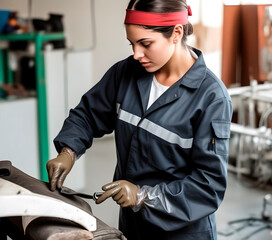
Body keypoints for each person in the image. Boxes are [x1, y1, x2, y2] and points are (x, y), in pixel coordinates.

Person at [46, 0, 233, 239]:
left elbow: (208, 186)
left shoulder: (211, 98)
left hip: (182, 231)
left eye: (145, 44)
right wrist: (68, 151)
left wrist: (143, 196)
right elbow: (88, 114)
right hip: (133, 225)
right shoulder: (125, 73)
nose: (136, 54)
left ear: (176, 32)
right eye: (132, 43)